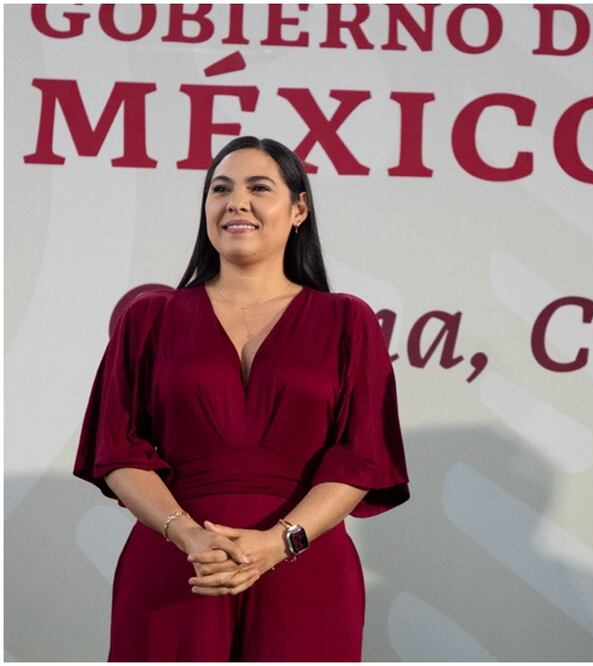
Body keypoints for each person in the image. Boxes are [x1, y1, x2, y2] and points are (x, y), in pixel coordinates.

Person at [74, 136, 408, 661]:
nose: (236, 202)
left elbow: (361, 456)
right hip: (179, 568)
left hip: (305, 570)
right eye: (220, 189)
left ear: (299, 209)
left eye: (259, 187)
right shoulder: (149, 318)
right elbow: (117, 449)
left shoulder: (348, 320)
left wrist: (279, 542)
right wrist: (188, 537)